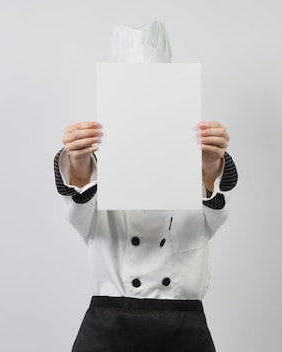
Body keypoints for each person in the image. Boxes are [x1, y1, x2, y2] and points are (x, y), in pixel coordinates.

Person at [53, 21, 238, 352]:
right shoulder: (100, 179)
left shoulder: (192, 169)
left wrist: (210, 165)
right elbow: (79, 197)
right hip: (109, 330)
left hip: (182, 331)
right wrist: (78, 158)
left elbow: (214, 212)